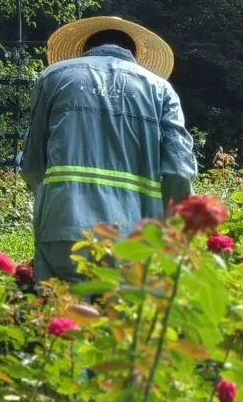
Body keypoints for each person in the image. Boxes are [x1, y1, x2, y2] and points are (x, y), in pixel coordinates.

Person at [21, 16, 196, 282]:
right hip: (135, 237)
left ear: (84, 48)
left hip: (64, 225)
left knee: (62, 316)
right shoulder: (161, 90)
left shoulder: (55, 77)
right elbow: (177, 172)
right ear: (135, 54)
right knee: (121, 320)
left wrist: (50, 204)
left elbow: (33, 164)